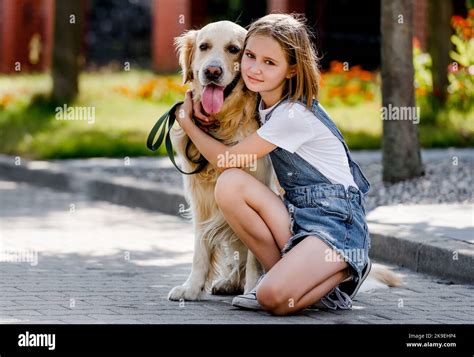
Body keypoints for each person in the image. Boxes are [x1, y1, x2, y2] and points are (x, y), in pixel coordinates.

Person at [175, 13, 371, 316]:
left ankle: (341, 275)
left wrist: (187, 123)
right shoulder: (263, 106)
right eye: (250, 56)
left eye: (270, 62)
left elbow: (227, 159)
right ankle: (279, 275)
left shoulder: (291, 115)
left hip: (335, 224)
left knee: (273, 299)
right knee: (230, 184)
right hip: (298, 219)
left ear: (292, 69)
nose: (254, 68)